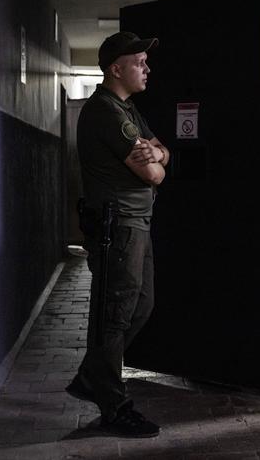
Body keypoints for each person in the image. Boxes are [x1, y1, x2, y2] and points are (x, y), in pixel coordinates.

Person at [66, 31, 170, 437]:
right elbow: (152, 175)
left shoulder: (126, 109)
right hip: (119, 226)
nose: (147, 68)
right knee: (114, 316)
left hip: (135, 224)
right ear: (116, 68)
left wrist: (158, 154)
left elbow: (162, 153)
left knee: (140, 306)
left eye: (146, 61)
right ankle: (112, 402)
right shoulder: (106, 112)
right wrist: (157, 165)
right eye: (139, 62)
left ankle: (93, 375)